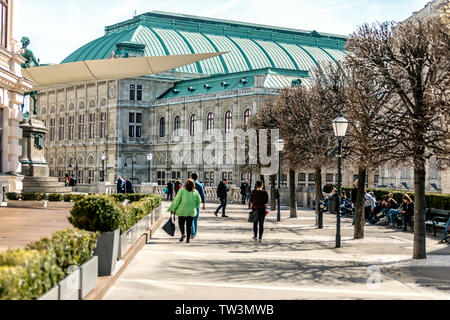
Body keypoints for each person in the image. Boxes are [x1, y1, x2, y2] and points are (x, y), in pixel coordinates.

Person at [167, 179, 201, 244]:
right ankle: (188, 239)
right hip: (191, 211)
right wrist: (194, 207)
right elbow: (198, 201)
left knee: (181, 223)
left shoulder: (181, 190)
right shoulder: (195, 191)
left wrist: (173, 209)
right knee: (189, 225)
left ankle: (183, 234)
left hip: (182, 211)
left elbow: (177, 201)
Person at [191, 173, 206, 240]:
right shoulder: (200, 185)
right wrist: (204, 204)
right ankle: (194, 232)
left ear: (191, 177)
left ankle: (192, 232)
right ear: (197, 177)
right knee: (195, 218)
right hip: (197, 203)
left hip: (189, 202)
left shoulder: (188, 184)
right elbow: (202, 195)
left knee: (190, 218)